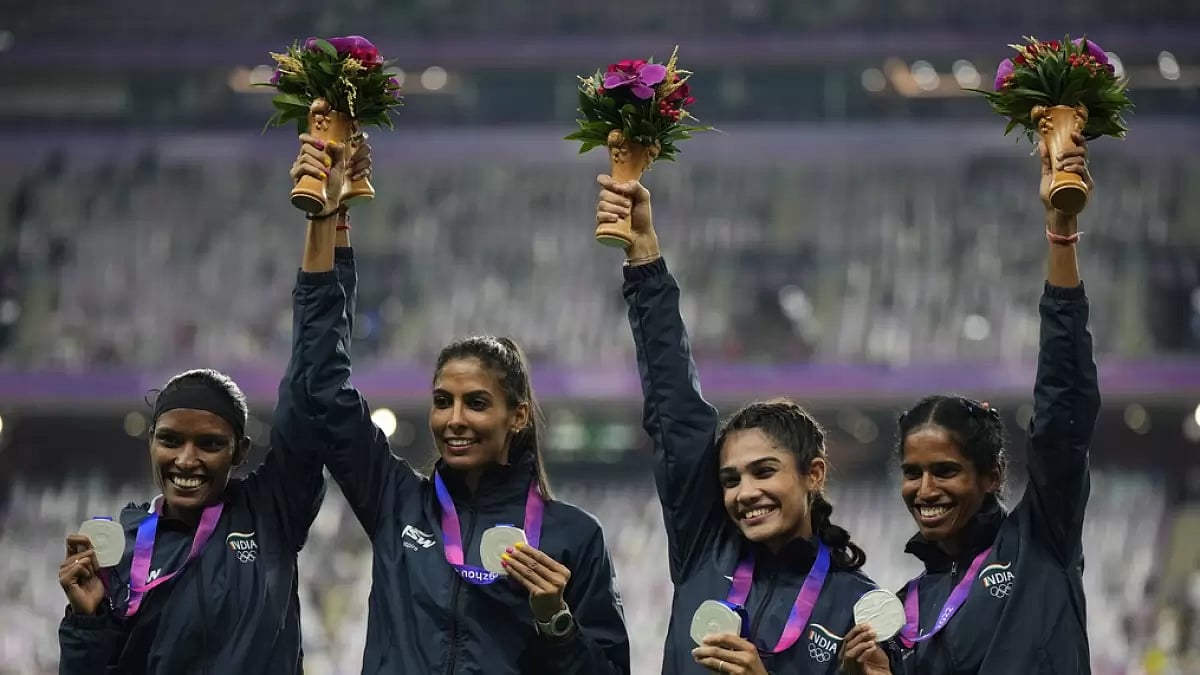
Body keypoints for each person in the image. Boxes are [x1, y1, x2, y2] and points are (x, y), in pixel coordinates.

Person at [285, 134, 630, 674]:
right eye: (442, 401)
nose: (454, 420)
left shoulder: (573, 536)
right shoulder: (395, 502)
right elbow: (323, 386)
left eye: (476, 403)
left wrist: (555, 622)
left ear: (517, 416)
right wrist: (330, 219)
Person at [54, 140, 373, 675]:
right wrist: (86, 624)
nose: (186, 459)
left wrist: (327, 219)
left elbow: (312, 382)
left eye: (210, 444)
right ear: (151, 441)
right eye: (171, 439)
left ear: (240, 452)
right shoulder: (119, 548)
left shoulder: (273, 511)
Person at [597, 177, 893, 674]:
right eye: (731, 479)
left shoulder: (858, 611)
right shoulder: (704, 549)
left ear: (814, 473)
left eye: (764, 471)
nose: (744, 492)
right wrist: (645, 258)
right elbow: (676, 410)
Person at [892, 132, 1100, 673]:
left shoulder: (1040, 541)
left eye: (945, 470)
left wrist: (1061, 232)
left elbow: (1064, 408)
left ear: (991, 475)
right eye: (912, 472)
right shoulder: (899, 614)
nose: (925, 489)